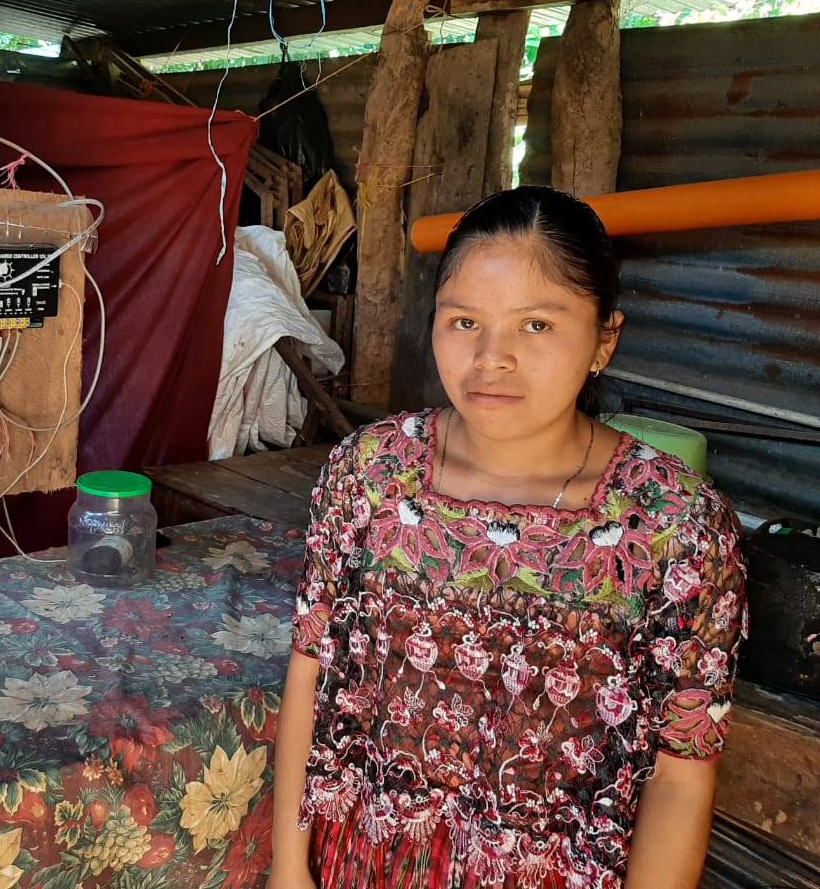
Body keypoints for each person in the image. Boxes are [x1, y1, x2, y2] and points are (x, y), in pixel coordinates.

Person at [268, 187, 747, 889]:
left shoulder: (675, 525)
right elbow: (310, 673)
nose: (492, 357)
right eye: (465, 321)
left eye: (536, 326)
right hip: (360, 864)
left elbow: (681, 771)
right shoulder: (370, 474)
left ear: (604, 340)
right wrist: (288, 870)